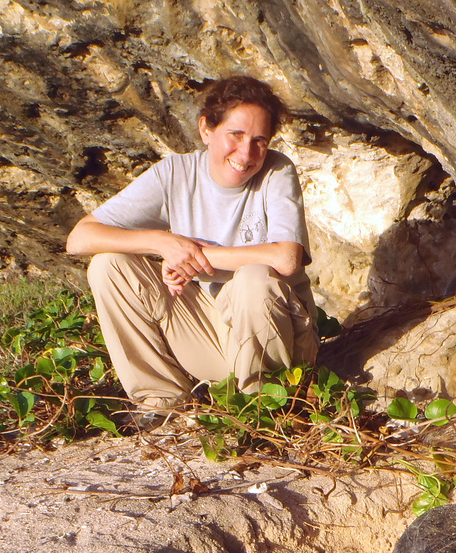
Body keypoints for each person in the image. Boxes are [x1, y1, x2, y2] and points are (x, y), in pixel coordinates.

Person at [66, 75, 317, 425]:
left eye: (260, 140)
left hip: (278, 342)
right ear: (206, 130)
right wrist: (163, 242)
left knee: (255, 279)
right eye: (236, 135)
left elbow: (286, 259)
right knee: (108, 265)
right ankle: (161, 400)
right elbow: (80, 239)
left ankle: (263, 408)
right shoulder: (175, 173)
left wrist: (195, 259)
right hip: (212, 334)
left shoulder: (277, 170)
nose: (247, 153)